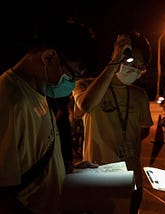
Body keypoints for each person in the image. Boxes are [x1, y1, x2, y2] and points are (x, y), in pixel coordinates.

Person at [0, 15, 99, 213]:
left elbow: (36, 163)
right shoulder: (10, 100)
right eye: (72, 75)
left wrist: (71, 170)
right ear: (49, 57)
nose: (72, 83)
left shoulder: (39, 92)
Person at [72, 32, 153, 214]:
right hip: (96, 178)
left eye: (141, 67)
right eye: (132, 63)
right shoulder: (85, 85)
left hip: (131, 179)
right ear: (117, 55)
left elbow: (144, 130)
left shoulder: (140, 96)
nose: (135, 70)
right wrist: (114, 63)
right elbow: (86, 104)